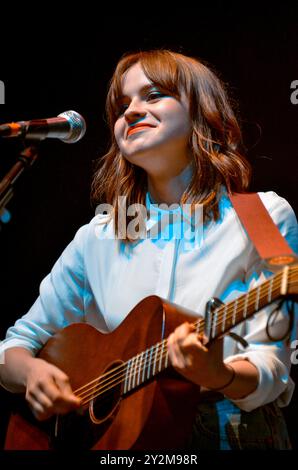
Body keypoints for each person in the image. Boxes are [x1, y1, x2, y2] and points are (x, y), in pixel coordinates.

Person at [0, 49, 297, 450]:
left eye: (154, 95)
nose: (132, 112)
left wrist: (218, 374)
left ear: (201, 111)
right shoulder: (98, 236)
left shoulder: (262, 216)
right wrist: (32, 373)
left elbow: (271, 364)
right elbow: (14, 347)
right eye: (123, 106)